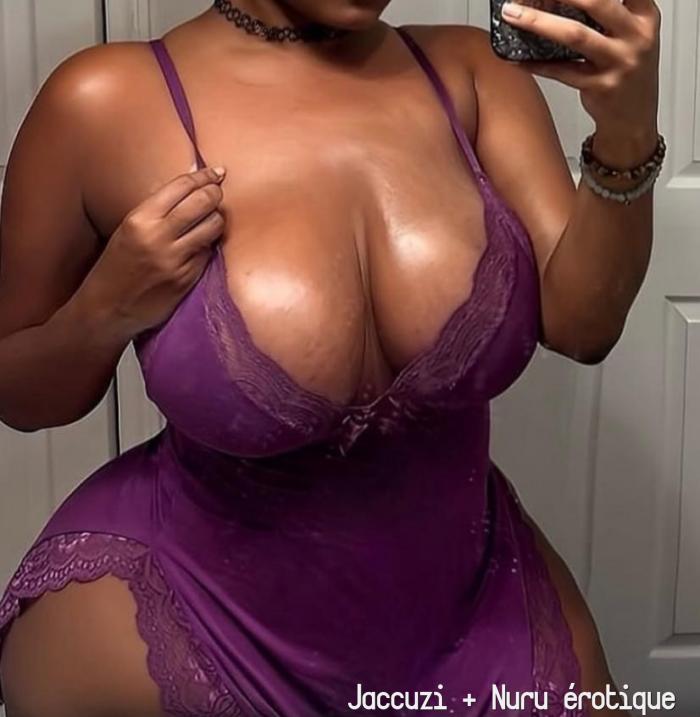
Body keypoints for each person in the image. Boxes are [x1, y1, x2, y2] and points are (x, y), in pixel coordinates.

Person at [0, 0, 662, 715]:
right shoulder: (101, 102)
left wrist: (625, 133)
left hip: (478, 614)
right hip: (189, 624)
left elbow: (584, 328)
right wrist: (105, 309)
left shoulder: (472, 75)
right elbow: (21, 397)